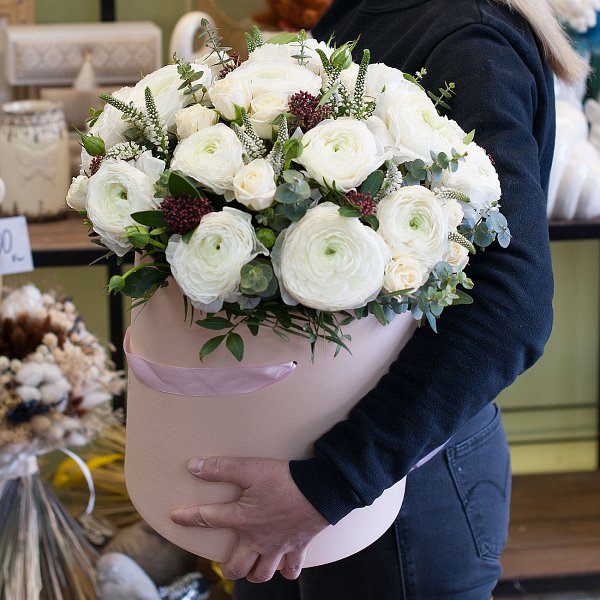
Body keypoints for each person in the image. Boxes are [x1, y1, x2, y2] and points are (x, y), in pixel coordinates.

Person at [170, 0, 586, 597]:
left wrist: (331, 483)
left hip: (396, 484)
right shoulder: (365, 10)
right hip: (310, 475)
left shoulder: (468, 42)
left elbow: (510, 305)